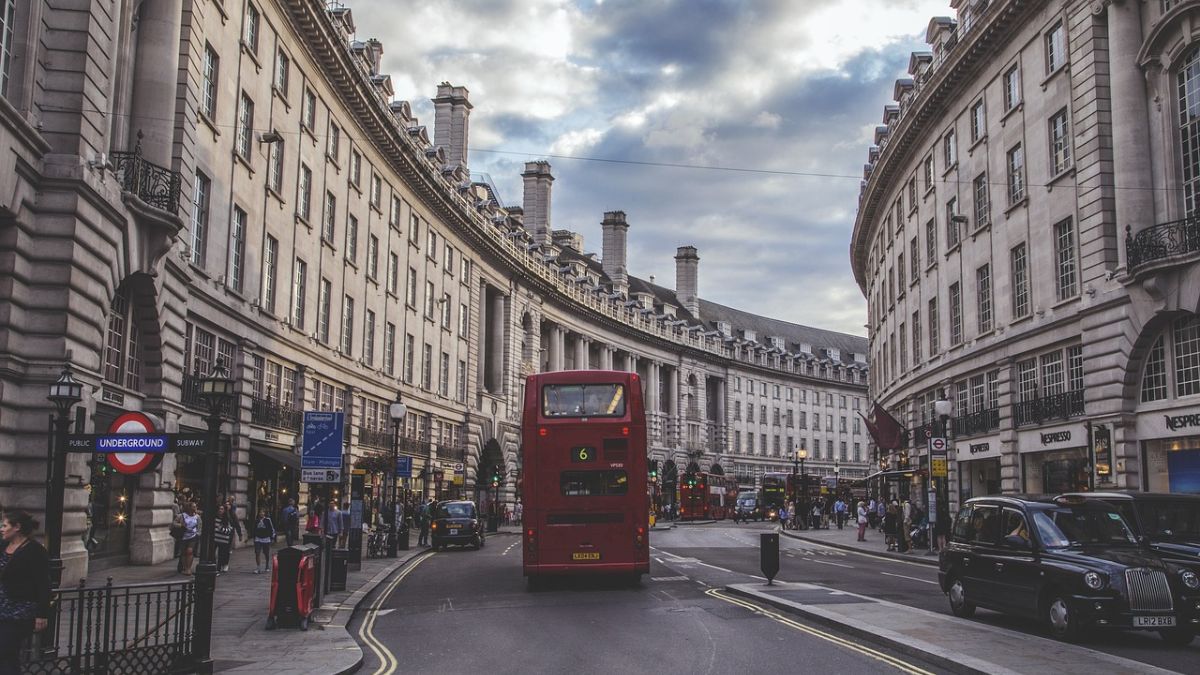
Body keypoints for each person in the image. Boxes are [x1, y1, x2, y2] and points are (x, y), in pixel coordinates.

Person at [0, 511, 51, 675]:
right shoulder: (2, 546)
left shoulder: (35, 551)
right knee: (8, 656)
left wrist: (42, 614)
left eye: (4, 525)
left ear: (17, 527)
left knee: (6, 650)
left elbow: (43, 584)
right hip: (1, 608)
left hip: (19, 610)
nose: (1, 529)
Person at [178, 502, 200, 575]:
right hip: (183, 536)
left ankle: (189, 568)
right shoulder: (182, 516)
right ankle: (185, 567)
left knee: (189, 551)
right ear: (189, 508)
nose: (195, 508)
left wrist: (198, 533)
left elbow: (200, 526)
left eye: (195, 506)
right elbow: (174, 523)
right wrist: (181, 525)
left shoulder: (197, 517)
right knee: (183, 552)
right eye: (193, 507)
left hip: (193, 536)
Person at [253, 508, 276, 574]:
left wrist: (272, 537)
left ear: (265, 513)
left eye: (262, 512)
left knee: (266, 553)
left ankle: (267, 565)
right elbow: (254, 529)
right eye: (260, 512)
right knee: (257, 553)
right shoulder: (257, 520)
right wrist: (254, 537)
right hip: (258, 538)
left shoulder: (268, 520)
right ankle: (258, 567)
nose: (261, 513)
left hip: (266, 538)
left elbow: (272, 529)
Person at [213, 505, 233, 574]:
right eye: (219, 509)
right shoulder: (214, 518)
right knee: (213, 554)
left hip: (223, 540)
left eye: (222, 509)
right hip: (215, 539)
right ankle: (214, 568)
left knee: (221, 555)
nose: (220, 510)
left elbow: (229, 530)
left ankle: (218, 569)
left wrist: (221, 529)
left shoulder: (227, 519)